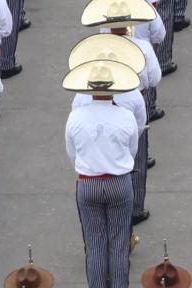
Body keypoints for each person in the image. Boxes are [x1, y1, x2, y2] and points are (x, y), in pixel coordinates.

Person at [64, 59, 139, 288]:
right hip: (119, 182)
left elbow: (71, 153)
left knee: (94, 245)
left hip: (88, 183)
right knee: (118, 244)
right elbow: (133, 150)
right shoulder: (125, 116)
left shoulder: (75, 116)